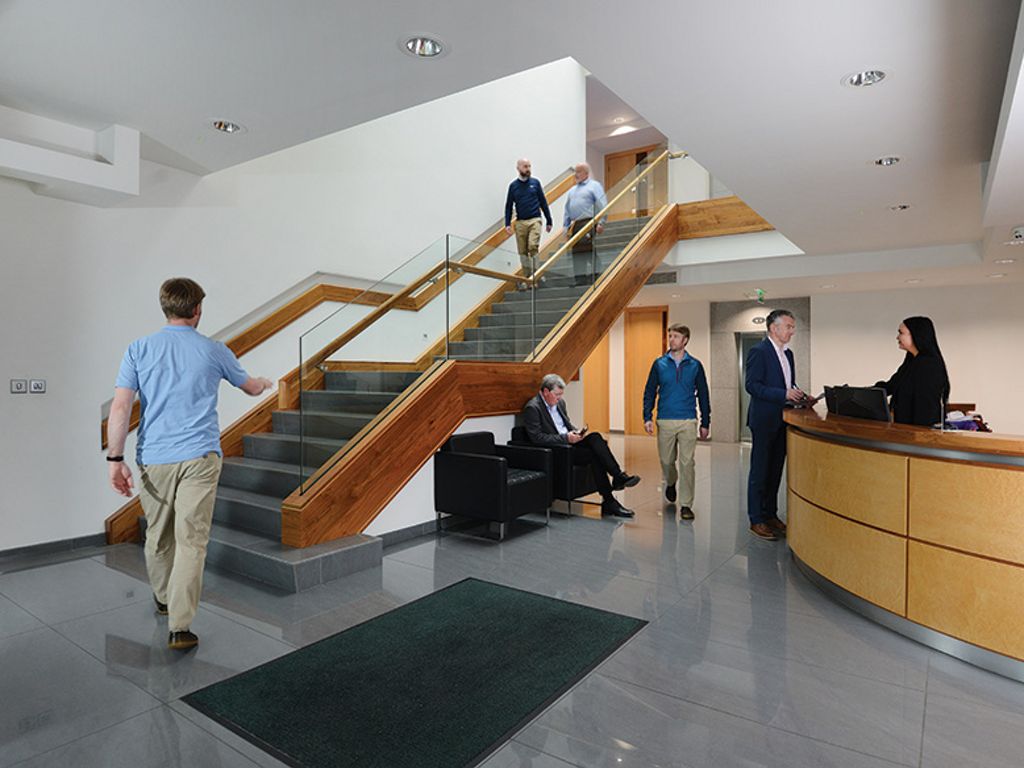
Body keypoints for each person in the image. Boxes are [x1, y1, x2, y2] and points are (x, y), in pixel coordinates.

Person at [106, 278, 273, 650]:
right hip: (199, 458)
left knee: (158, 535)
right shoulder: (214, 350)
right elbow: (249, 387)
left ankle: (164, 598)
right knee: (191, 541)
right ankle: (180, 627)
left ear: (165, 308)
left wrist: (115, 459)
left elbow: (120, 407)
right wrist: (263, 383)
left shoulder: (138, 349)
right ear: (197, 309)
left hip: (153, 460)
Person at [522, 373, 640, 518]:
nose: (559, 398)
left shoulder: (560, 404)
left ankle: (616, 481)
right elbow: (537, 438)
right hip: (558, 450)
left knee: (595, 438)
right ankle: (613, 489)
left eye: (561, 394)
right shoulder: (533, 408)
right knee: (595, 456)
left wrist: (577, 432)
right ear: (546, 392)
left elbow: (566, 425)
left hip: (569, 442)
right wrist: (566, 438)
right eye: (557, 394)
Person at [745, 309, 805, 541]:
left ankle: (770, 514)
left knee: (775, 471)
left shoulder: (788, 354)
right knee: (759, 471)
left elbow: (788, 384)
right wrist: (783, 394)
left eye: (792, 327)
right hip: (764, 420)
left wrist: (799, 394)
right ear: (773, 328)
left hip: (783, 420)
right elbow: (752, 385)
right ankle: (756, 519)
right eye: (788, 326)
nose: (792, 331)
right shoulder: (759, 352)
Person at [643, 324, 711, 520]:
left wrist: (705, 422)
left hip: (688, 419)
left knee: (687, 463)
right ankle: (671, 482)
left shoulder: (695, 365)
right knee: (666, 461)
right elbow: (649, 391)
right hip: (665, 419)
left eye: (675, 336)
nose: (671, 339)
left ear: (685, 340)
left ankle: (686, 505)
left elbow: (703, 394)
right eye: (670, 336)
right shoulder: (659, 364)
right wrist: (647, 416)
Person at [874, 316, 950, 426]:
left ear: (916, 335)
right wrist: (862, 393)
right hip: (905, 428)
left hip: (918, 431)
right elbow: (891, 386)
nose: (897, 337)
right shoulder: (912, 360)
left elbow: (926, 409)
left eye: (901, 333)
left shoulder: (929, 365)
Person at [504, 158, 553, 286]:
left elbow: (543, 202)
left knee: (532, 246)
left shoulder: (535, 183)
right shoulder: (513, 186)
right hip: (520, 222)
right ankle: (528, 279)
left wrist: (549, 220)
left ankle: (536, 276)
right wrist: (507, 224)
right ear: (518, 168)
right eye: (525, 166)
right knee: (522, 252)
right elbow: (508, 206)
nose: (528, 169)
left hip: (535, 219)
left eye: (529, 166)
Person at [563, 163, 608, 286]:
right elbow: (567, 210)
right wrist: (566, 228)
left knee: (585, 245)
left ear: (586, 173)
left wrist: (601, 222)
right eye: (575, 172)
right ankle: (580, 279)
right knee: (576, 251)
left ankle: (597, 272)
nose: (576, 174)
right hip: (576, 224)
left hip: (589, 221)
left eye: (578, 171)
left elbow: (602, 203)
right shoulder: (572, 190)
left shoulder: (594, 186)